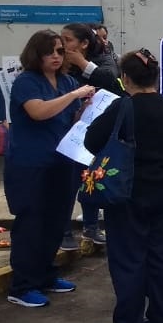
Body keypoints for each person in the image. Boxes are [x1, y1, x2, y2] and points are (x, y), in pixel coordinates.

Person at [83, 49, 163, 323]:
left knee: (128, 260)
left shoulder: (123, 108)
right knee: (161, 256)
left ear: (125, 79)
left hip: (128, 192)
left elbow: (91, 141)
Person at [4, 30, 96, 308]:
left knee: (56, 222)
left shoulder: (67, 81)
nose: (56, 56)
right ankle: (22, 285)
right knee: (31, 223)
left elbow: (69, 117)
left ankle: (45, 274)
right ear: (36, 54)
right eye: (49, 52)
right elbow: (39, 112)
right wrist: (74, 95)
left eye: (59, 51)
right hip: (30, 165)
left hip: (62, 161)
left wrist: (85, 107)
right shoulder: (26, 82)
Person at [60, 22, 122, 250]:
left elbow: (113, 83)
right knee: (68, 184)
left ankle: (91, 226)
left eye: (68, 40)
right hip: (64, 131)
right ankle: (64, 230)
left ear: (84, 44)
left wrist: (81, 64)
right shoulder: (59, 66)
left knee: (90, 178)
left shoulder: (103, 61)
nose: (62, 45)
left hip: (92, 132)